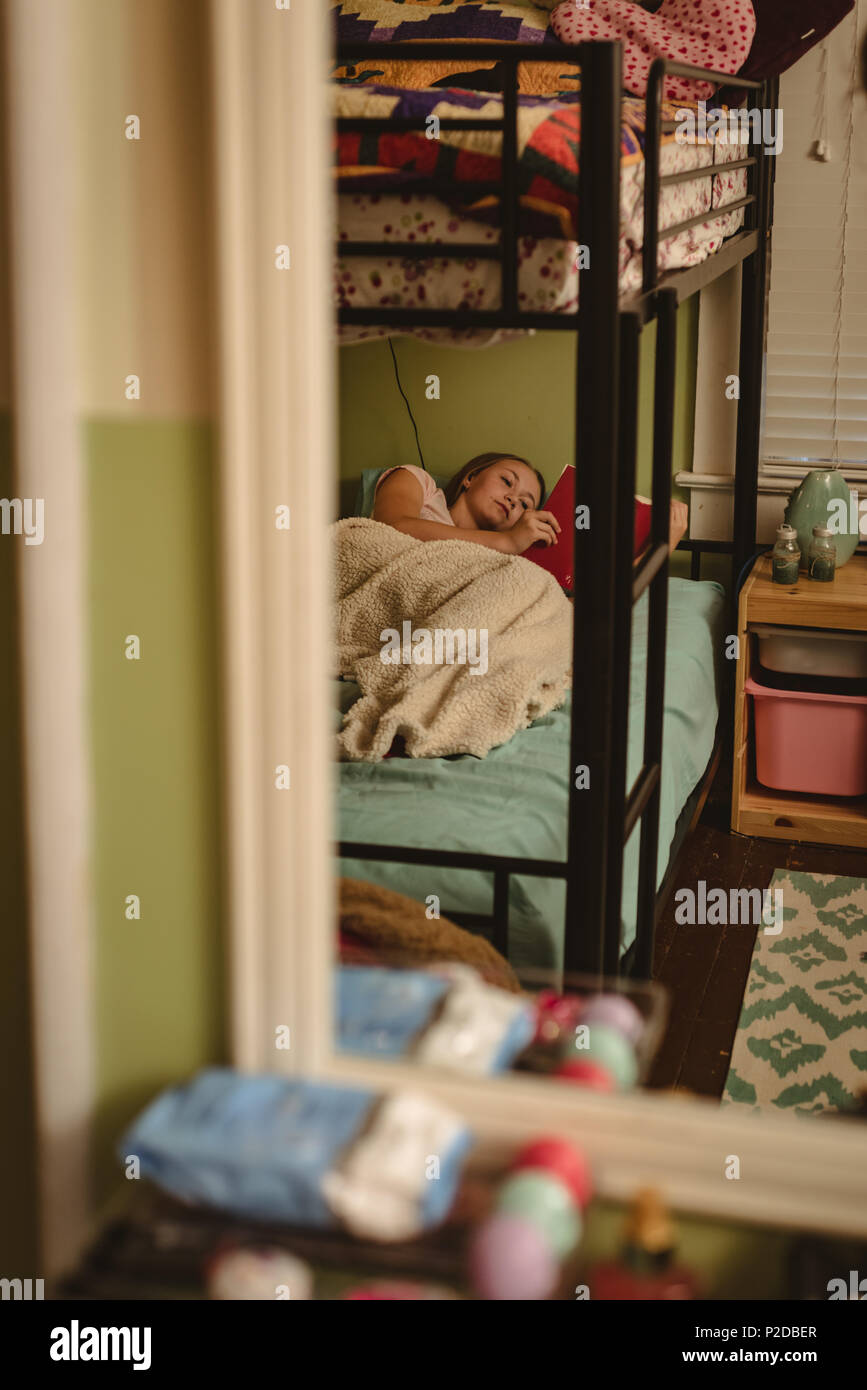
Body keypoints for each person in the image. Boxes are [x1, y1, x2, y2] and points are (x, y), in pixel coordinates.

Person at [372, 453, 689, 556]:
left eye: (526, 504)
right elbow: (391, 529)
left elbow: (583, 613)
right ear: (471, 477)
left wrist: (661, 547)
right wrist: (506, 540)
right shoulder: (416, 481)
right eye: (507, 481)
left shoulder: (508, 559)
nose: (512, 500)